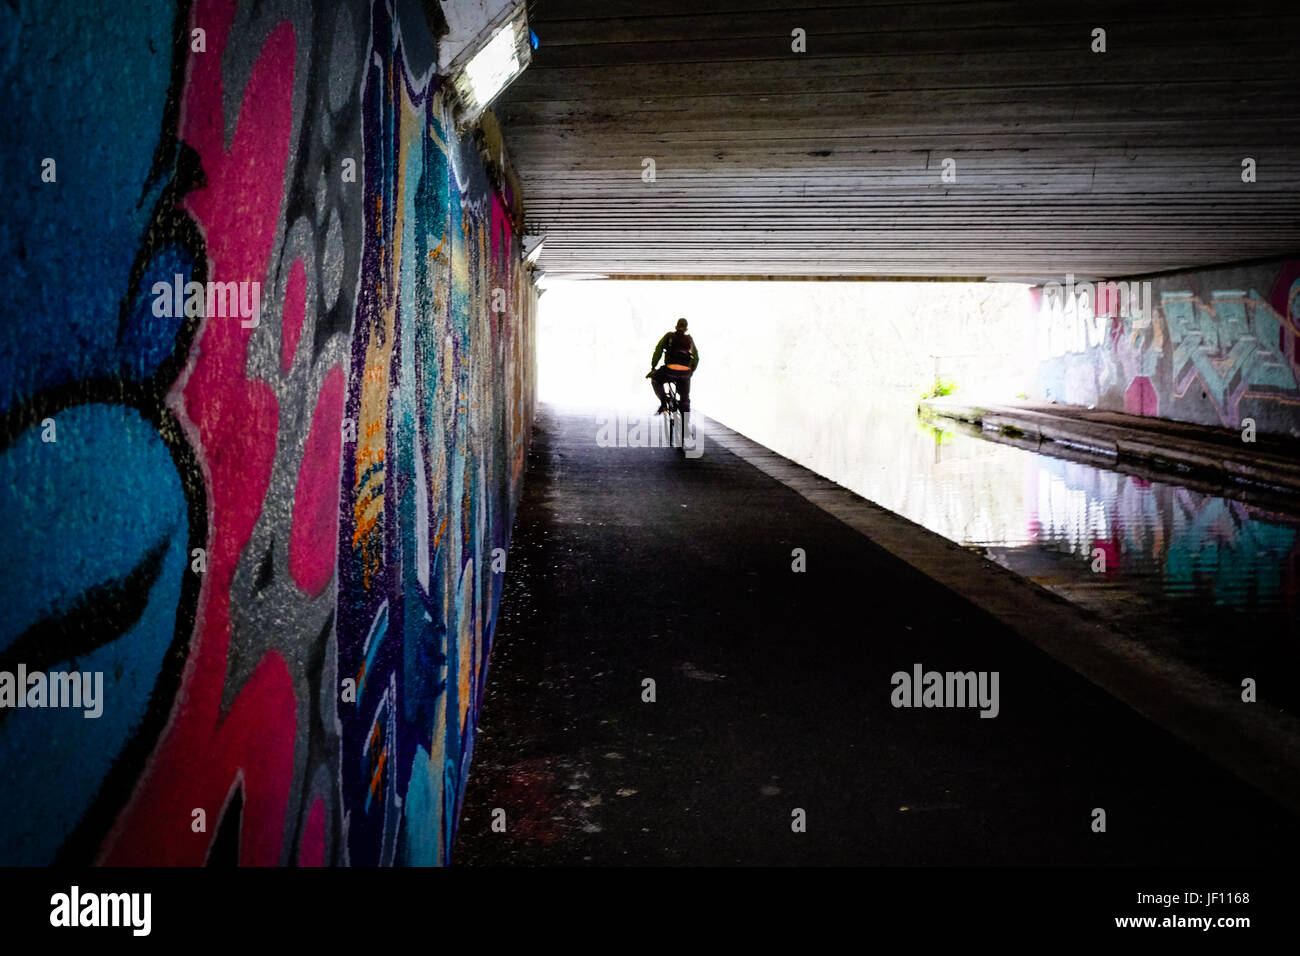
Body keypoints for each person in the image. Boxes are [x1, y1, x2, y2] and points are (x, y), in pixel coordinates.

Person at [648, 318, 699, 414]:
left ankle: (664, 403)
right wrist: (691, 371)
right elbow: (696, 357)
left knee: (655, 379)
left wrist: (653, 367)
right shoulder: (689, 339)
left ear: (676, 327)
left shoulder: (669, 336)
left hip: (669, 371)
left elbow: (658, 351)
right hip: (685, 373)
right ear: (686, 329)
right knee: (685, 397)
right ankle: (685, 422)